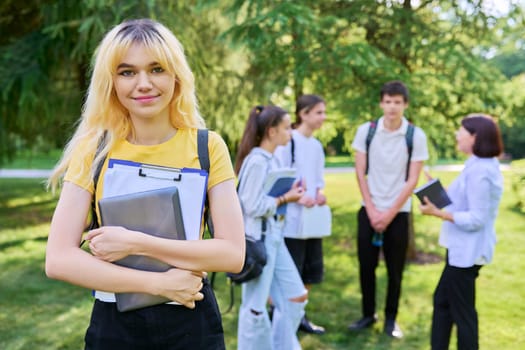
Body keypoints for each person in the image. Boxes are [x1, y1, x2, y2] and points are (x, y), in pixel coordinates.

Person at [45, 19, 244, 349]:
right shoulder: (93, 150)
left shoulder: (208, 147)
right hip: (115, 326)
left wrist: (137, 243)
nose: (144, 83)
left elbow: (233, 254)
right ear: (110, 82)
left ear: (176, 76)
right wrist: (160, 285)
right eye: (127, 72)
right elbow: (59, 259)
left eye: (156, 69)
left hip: (191, 319)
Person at [349, 81, 429, 338]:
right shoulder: (366, 131)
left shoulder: (415, 135)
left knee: (395, 270)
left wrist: (390, 213)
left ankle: (391, 319)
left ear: (405, 104)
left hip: (399, 212)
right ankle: (367, 314)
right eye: (388, 101)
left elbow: (413, 180)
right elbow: (360, 172)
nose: (392, 107)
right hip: (368, 209)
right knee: (366, 267)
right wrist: (372, 210)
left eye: (397, 102)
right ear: (381, 103)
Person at [419, 114, 504, 350]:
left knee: (462, 313)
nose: (457, 134)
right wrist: (439, 190)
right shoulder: (476, 164)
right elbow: (463, 201)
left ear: (475, 136)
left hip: (468, 253)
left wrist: (437, 213)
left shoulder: (481, 171)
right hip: (460, 250)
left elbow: (476, 218)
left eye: (461, 131)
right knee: (444, 303)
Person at [235, 105, 308, 350]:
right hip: (260, 240)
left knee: (295, 296)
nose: (291, 132)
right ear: (271, 131)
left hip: (275, 237)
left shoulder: (270, 158)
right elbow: (251, 205)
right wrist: (285, 198)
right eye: (287, 127)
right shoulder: (256, 160)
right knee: (254, 308)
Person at [274, 94, 328, 334]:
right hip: (291, 222)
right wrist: (298, 196)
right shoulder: (289, 142)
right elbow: (279, 179)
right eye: (318, 112)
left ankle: (300, 316)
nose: (323, 117)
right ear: (303, 114)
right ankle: (282, 315)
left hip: (312, 221)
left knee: (309, 270)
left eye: (324, 112)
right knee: (290, 271)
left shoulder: (316, 145)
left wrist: (320, 194)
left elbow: (318, 180)